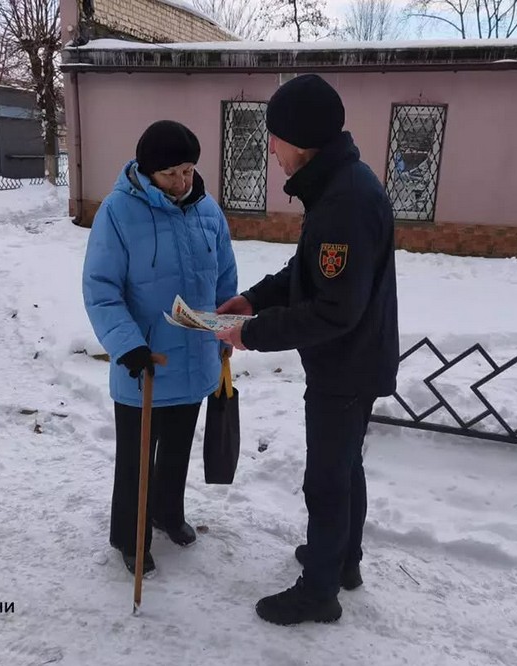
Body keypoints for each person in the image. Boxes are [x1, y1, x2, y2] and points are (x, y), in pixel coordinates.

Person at [216, 74, 399, 625]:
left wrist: (252, 335)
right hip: (356, 360)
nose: (270, 148)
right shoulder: (339, 185)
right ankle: (342, 560)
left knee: (326, 478)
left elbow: (334, 309)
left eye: (274, 137)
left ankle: (319, 591)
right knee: (344, 469)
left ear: (300, 139)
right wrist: (252, 299)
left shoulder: (344, 200)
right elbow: (310, 272)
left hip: (346, 366)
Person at [83, 119, 238, 577]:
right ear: (148, 171)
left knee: (177, 450)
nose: (182, 181)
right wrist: (126, 345)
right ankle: (130, 535)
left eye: (188, 170)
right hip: (146, 363)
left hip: (195, 359)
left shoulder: (208, 210)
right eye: (172, 173)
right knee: (136, 459)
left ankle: (168, 513)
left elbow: (225, 279)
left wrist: (226, 328)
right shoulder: (118, 212)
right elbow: (101, 288)